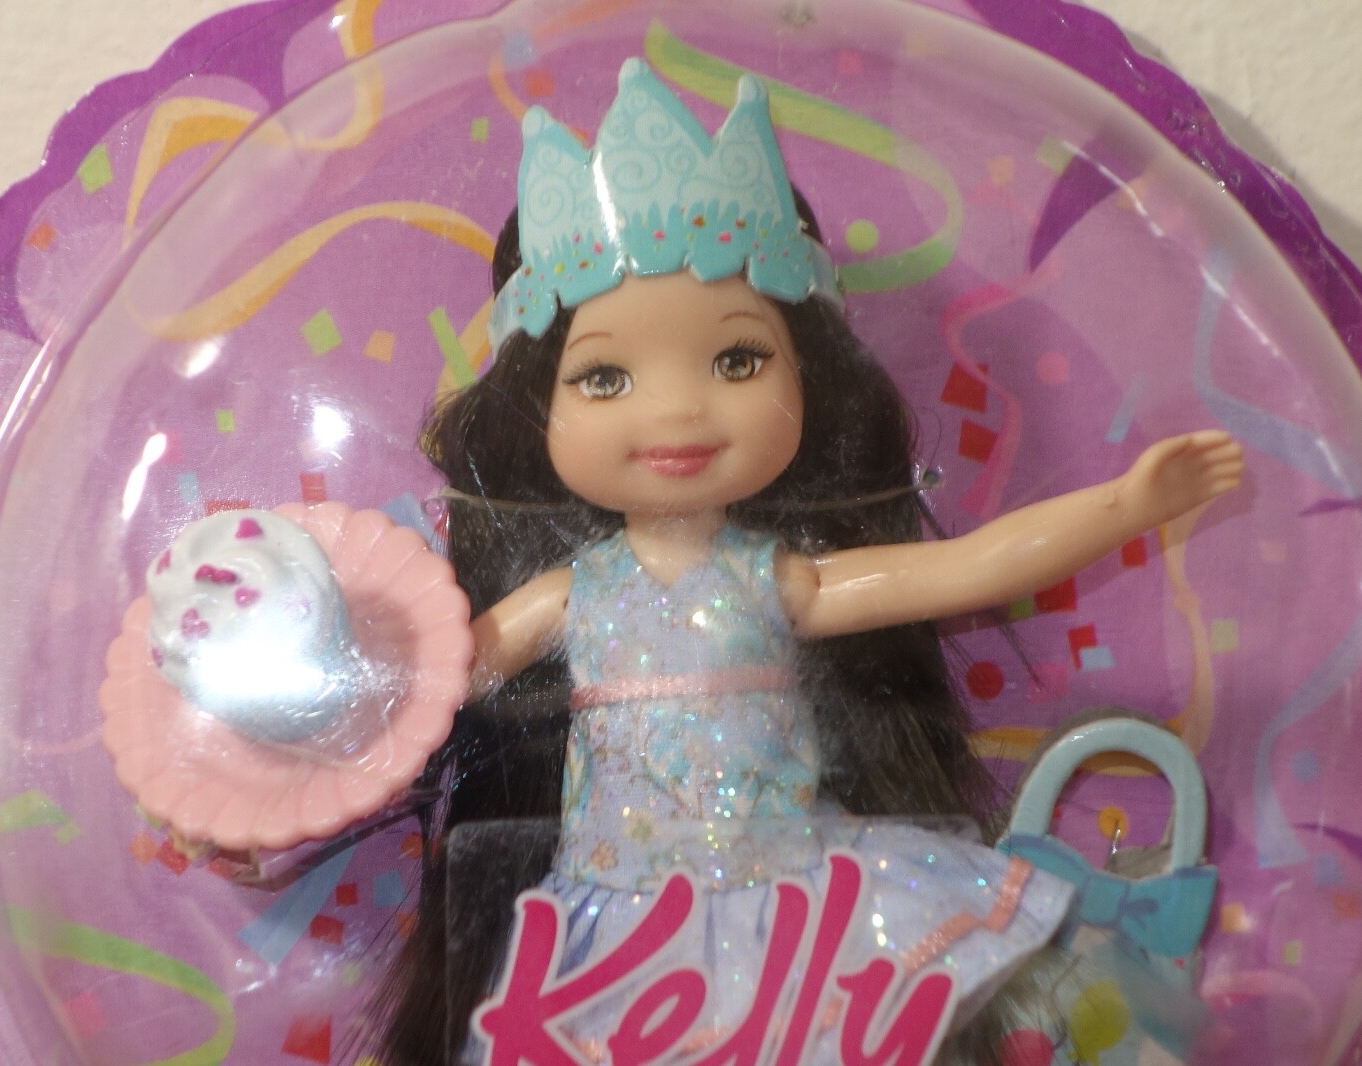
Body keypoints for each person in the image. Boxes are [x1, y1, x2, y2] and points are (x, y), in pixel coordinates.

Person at [370, 58, 1243, 1064]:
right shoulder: (569, 597)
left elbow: (960, 571)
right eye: (604, 376)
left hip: (803, 899)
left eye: (736, 360)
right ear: (536, 408)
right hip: (621, 923)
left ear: (805, 377)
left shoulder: (775, 579)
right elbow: (425, 680)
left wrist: (1128, 504)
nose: (678, 411)